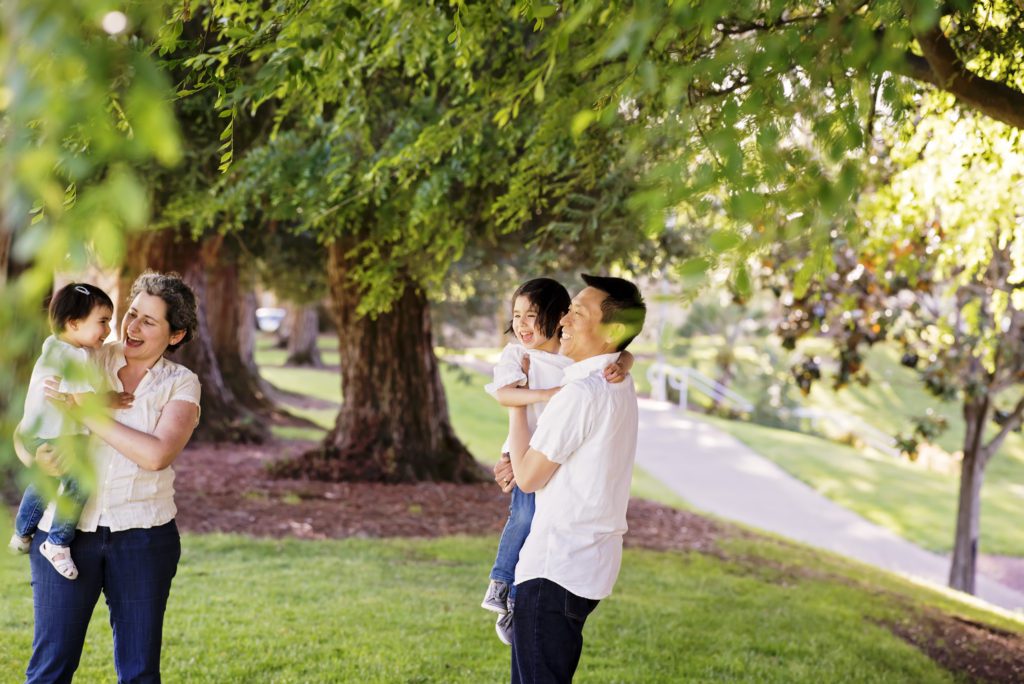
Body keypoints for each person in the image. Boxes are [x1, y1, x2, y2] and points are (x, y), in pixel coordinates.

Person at [14, 271, 202, 684]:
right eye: (132, 313)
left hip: (143, 538)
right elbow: (25, 428)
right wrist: (35, 456)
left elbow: (156, 455)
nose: (131, 327)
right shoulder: (83, 350)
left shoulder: (181, 384)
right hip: (61, 536)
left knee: (139, 673)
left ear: (176, 334)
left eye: (149, 321)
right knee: (50, 670)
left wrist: (85, 413)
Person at [496, 274, 646, 683]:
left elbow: (526, 479)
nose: (563, 319)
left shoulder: (581, 393)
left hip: (554, 566)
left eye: (577, 312)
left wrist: (517, 404)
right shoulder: (618, 381)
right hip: (587, 565)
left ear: (611, 331)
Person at [9, 283, 123, 581]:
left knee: (45, 481)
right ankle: (57, 542)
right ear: (73, 323)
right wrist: (110, 399)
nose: (108, 329)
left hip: (38, 432)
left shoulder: (53, 345)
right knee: (80, 483)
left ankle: (22, 533)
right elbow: (84, 403)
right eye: (102, 321)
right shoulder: (74, 356)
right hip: (55, 434)